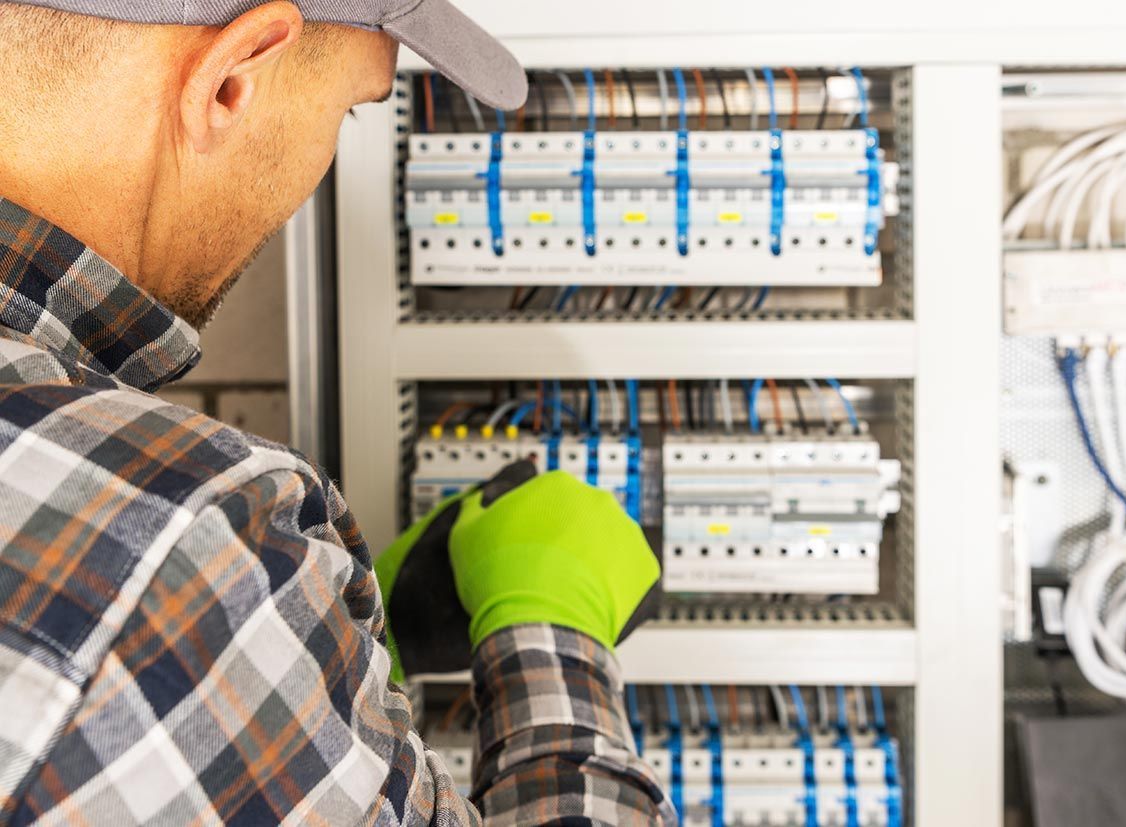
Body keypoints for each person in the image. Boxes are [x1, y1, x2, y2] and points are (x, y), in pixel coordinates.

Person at [0, 0, 673, 823]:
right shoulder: (185, 544)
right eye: (350, 110)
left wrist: (329, 637)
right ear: (232, 82)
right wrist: (551, 627)